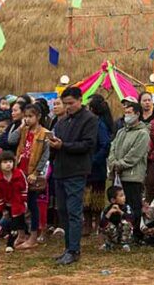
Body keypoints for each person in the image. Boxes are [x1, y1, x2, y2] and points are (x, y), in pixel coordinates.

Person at [49, 86, 99, 265]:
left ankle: (74, 249)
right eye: (65, 103)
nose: (68, 106)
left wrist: (63, 146)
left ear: (80, 100)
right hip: (60, 171)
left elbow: (87, 145)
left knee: (74, 211)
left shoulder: (90, 119)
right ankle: (67, 247)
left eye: (71, 103)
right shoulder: (62, 121)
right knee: (62, 210)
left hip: (76, 171)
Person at [8, 104, 49, 249]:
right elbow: (11, 141)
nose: (27, 119)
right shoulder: (23, 130)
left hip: (31, 173)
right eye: (25, 116)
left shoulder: (44, 133)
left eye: (30, 116)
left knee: (32, 205)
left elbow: (45, 156)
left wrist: (36, 173)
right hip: (19, 172)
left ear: (38, 117)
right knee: (17, 203)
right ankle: (21, 233)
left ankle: (33, 236)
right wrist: (20, 127)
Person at [108, 99, 149, 239]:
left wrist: (120, 164)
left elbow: (135, 154)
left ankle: (135, 233)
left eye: (129, 113)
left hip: (133, 175)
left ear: (137, 114)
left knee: (133, 205)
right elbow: (113, 147)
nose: (126, 115)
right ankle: (120, 232)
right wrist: (113, 162)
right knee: (120, 206)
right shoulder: (121, 131)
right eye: (125, 113)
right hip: (118, 175)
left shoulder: (143, 133)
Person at [84, 96, 113, 235]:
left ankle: (95, 225)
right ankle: (87, 224)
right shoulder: (89, 123)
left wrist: (95, 159)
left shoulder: (99, 124)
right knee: (86, 197)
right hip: (86, 166)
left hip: (96, 167)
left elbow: (105, 144)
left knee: (96, 197)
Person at [100, 185, 133, 251]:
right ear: (113, 200)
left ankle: (125, 244)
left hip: (122, 232)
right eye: (121, 196)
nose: (124, 197)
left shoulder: (127, 207)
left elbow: (131, 218)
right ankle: (109, 244)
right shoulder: (107, 209)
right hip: (113, 232)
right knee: (106, 226)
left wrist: (120, 212)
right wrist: (109, 213)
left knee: (126, 223)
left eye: (124, 195)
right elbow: (101, 224)